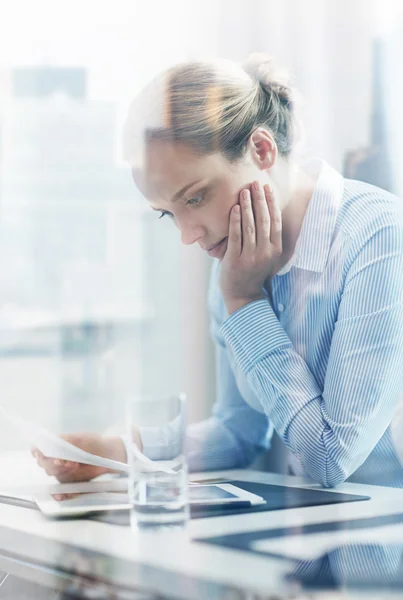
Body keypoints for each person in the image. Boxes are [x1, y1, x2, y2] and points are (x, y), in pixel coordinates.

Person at [33, 53, 403, 489]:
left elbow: (330, 458)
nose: (189, 236)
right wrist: (117, 452)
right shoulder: (233, 257)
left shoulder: (379, 237)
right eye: (167, 214)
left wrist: (245, 303)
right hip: (295, 534)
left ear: (261, 149)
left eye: (194, 198)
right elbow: (240, 431)